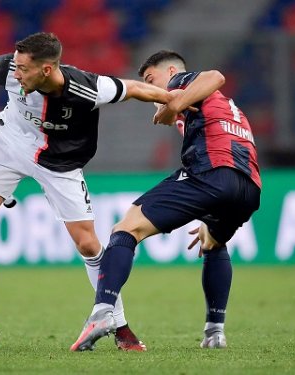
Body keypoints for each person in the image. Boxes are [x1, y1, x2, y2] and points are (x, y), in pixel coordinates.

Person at [0, 32, 175, 351]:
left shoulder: (87, 88)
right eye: (16, 65)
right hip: (9, 144)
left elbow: (134, 88)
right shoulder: (10, 69)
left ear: (47, 70)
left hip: (59, 164)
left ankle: (120, 327)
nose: (16, 72)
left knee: (88, 243)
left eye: (24, 68)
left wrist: (177, 102)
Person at [70, 50, 262, 351]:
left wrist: (174, 103)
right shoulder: (225, 106)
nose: (152, 89)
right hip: (248, 187)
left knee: (127, 228)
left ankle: (103, 312)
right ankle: (215, 332)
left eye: (151, 79)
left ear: (171, 71)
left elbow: (216, 76)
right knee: (212, 241)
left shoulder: (182, 82)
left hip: (212, 173)